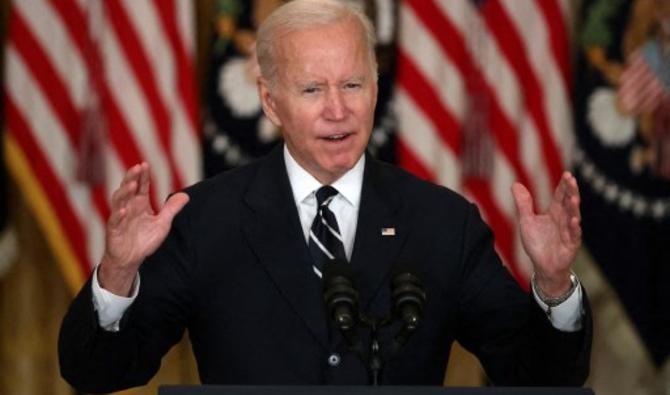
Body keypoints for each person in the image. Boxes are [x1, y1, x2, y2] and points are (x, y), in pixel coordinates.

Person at [58, 0, 591, 392]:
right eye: (313, 90)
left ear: (377, 90)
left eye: (353, 85)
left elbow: (539, 379)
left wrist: (551, 284)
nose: (338, 110)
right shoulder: (206, 221)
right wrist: (118, 273)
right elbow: (96, 372)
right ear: (270, 102)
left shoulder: (441, 222)